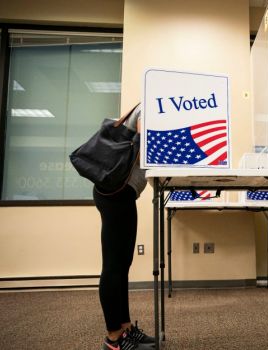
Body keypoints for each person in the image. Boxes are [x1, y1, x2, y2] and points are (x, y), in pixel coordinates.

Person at [93, 104, 155, 350]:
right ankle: (113, 339)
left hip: (123, 194)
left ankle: (126, 328)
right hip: (115, 194)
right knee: (113, 267)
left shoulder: (153, 109)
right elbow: (142, 148)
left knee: (122, 266)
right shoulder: (149, 108)